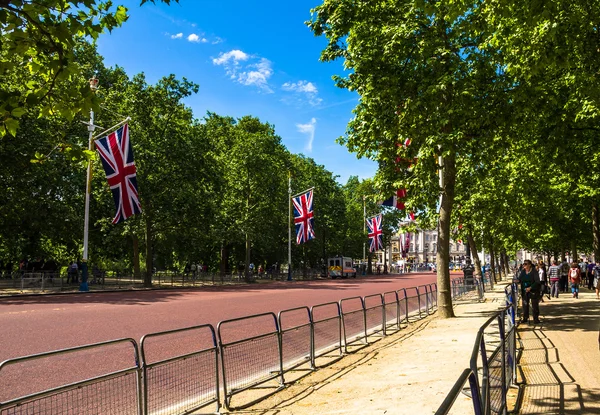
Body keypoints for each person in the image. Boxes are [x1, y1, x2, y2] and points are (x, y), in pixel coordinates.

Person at [516, 260, 541, 324]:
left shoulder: (534, 271)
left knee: (534, 305)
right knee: (525, 305)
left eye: (526, 264)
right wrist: (517, 281)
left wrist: (530, 287)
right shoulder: (523, 271)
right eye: (524, 264)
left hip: (533, 291)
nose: (524, 265)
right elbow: (520, 279)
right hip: (524, 291)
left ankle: (536, 318)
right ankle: (525, 318)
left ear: (529, 265)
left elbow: (537, 281)